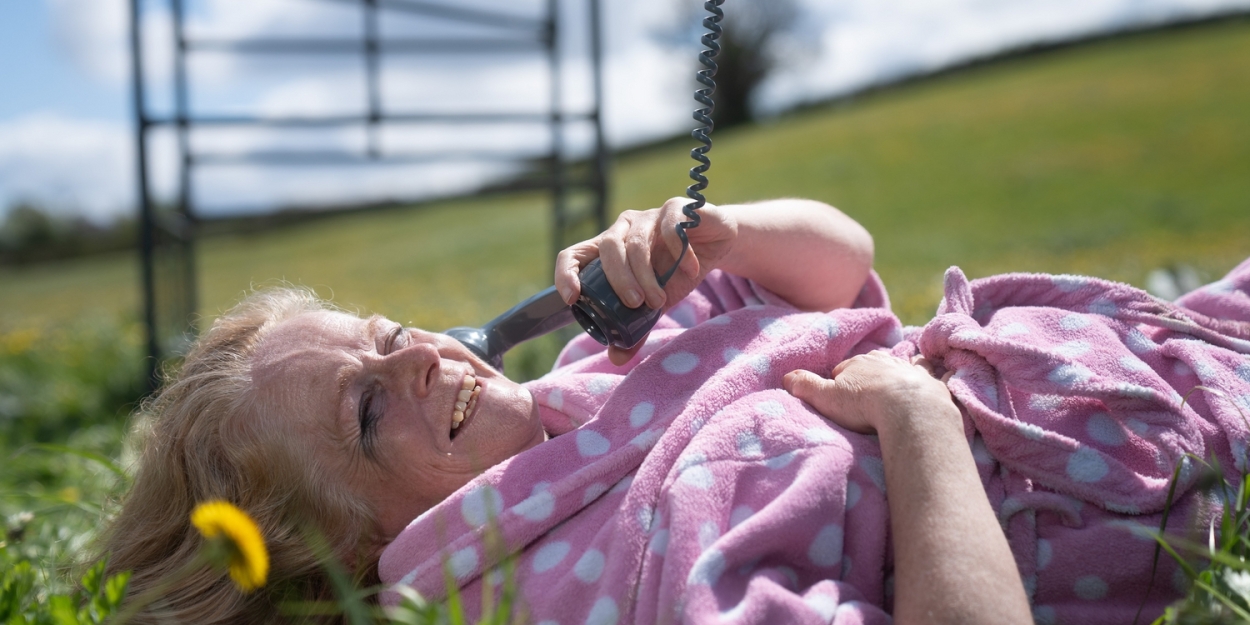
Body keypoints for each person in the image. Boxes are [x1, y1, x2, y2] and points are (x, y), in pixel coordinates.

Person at [100, 197, 1250, 624]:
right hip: (1180, 441)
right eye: (364, 410)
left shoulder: (579, 392)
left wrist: (726, 237)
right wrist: (913, 419)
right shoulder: (612, 568)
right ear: (345, 547)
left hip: (1148, 337)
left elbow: (841, 265)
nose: (422, 361)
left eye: (393, 334)